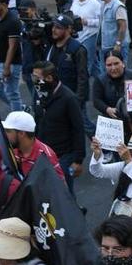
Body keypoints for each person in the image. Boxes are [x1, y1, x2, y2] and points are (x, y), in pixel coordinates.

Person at [30, 62, 86, 192]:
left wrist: (78, 160)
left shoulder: (69, 98)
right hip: (43, 154)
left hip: (63, 156)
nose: (34, 81)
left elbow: (78, 129)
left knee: (64, 192)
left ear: (49, 78)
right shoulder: (39, 94)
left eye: (37, 78)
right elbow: (37, 121)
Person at [1, 111, 65, 181]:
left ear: (22, 133)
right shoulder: (11, 151)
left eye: (8, 131)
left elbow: (60, 188)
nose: (5, 134)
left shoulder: (47, 157)